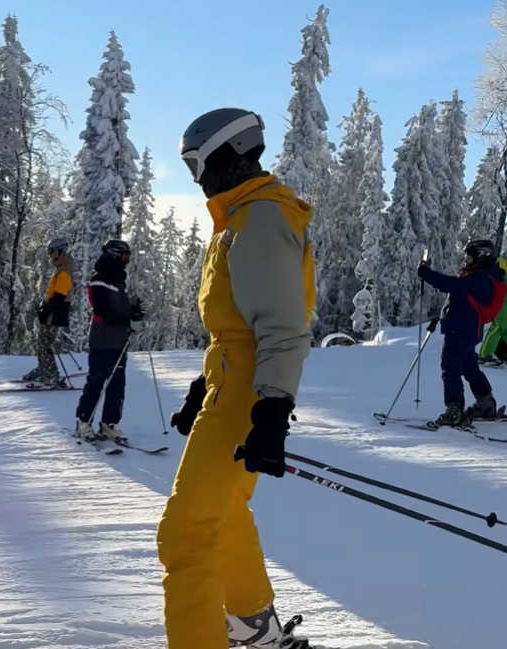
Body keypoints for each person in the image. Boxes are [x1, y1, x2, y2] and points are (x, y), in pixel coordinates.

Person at [158, 107, 316, 649]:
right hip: (233, 386)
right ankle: (252, 623)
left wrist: (271, 408)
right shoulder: (241, 218)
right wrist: (205, 385)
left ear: (228, 152)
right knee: (222, 512)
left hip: (248, 393)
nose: (195, 176)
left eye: (196, 162)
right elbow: (235, 327)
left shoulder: (261, 220)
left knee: (185, 536)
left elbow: (282, 328)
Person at [418, 239, 507, 427]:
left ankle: (454, 410)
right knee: (469, 367)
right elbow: (461, 296)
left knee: (450, 367)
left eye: (470, 257)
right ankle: (486, 405)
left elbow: (451, 285)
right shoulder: (484, 276)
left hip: (460, 331)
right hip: (466, 330)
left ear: (482, 257)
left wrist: (425, 273)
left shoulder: (480, 279)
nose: (466, 261)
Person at [74, 238, 144, 444]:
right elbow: (101, 309)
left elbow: (120, 310)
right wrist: (127, 318)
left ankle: (109, 424)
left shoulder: (118, 282)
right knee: (96, 381)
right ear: (114, 254)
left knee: (117, 384)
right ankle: (83, 422)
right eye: (124, 256)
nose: (127, 260)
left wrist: (134, 312)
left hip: (118, 342)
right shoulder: (100, 279)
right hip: (102, 339)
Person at [22, 237, 74, 387]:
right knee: (42, 341)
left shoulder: (64, 270)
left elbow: (60, 297)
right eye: (49, 251)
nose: (50, 254)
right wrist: (44, 307)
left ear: (60, 251)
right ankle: (44, 368)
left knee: (45, 344)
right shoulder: (60, 268)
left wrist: (47, 310)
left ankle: (51, 375)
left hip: (56, 313)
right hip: (52, 311)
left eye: (52, 251)